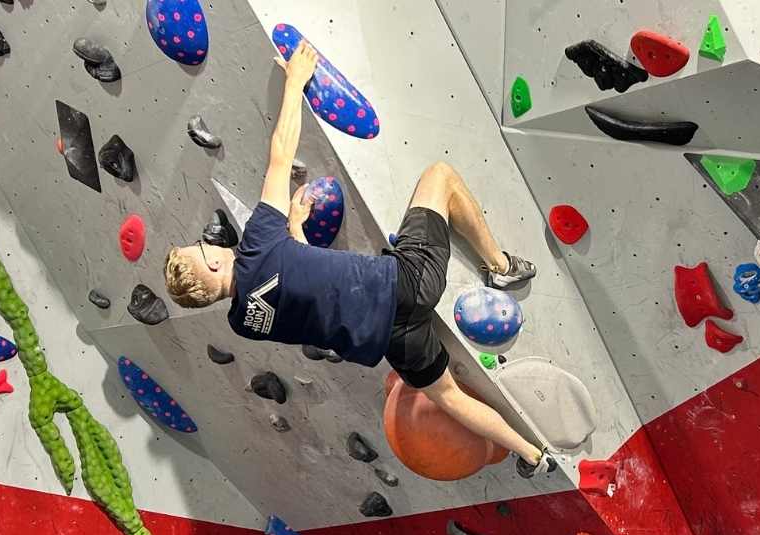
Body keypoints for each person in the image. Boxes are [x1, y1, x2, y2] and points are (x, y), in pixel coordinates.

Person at [164, 43, 558, 477]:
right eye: (202, 249)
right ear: (215, 266)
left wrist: (295, 231)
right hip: (405, 284)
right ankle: (502, 268)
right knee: (439, 177)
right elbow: (280, 154)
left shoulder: (244, 322)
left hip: (389, 340)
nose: (210, 244)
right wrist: (295, 81)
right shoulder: (257, 242)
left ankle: (534, 455)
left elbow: (302, 294)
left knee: (449, 397)